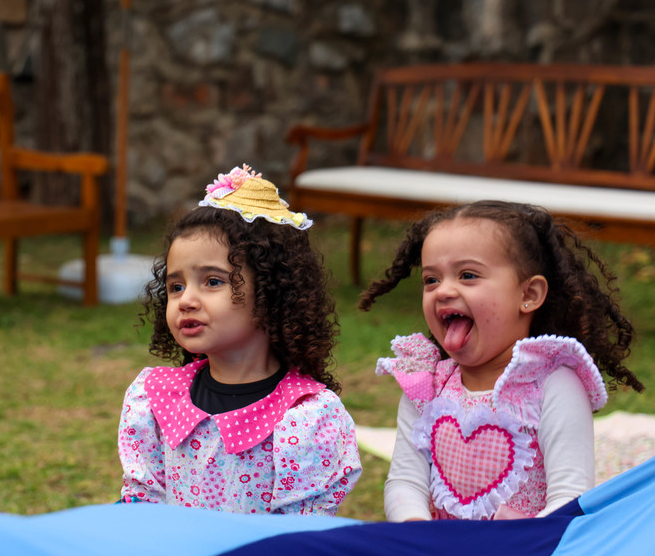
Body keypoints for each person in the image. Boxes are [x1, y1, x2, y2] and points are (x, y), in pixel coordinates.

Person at [359, 200, 643, 521]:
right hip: (437, 548)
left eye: (467, 275)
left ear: (529, 295)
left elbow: (569, 496)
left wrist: (518, 542)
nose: (443, 291)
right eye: (431, 280)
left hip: (527, 549)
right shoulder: (425, 386)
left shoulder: (553, 386)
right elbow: (405, 482)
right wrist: (416, 529)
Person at [117, 165, 362, 514]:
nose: (186, 300)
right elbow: (141, 509)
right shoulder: (155, 399)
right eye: (176, 286)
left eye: (212, 281)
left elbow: (299, 534)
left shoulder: (305, 417)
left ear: (271, 290)